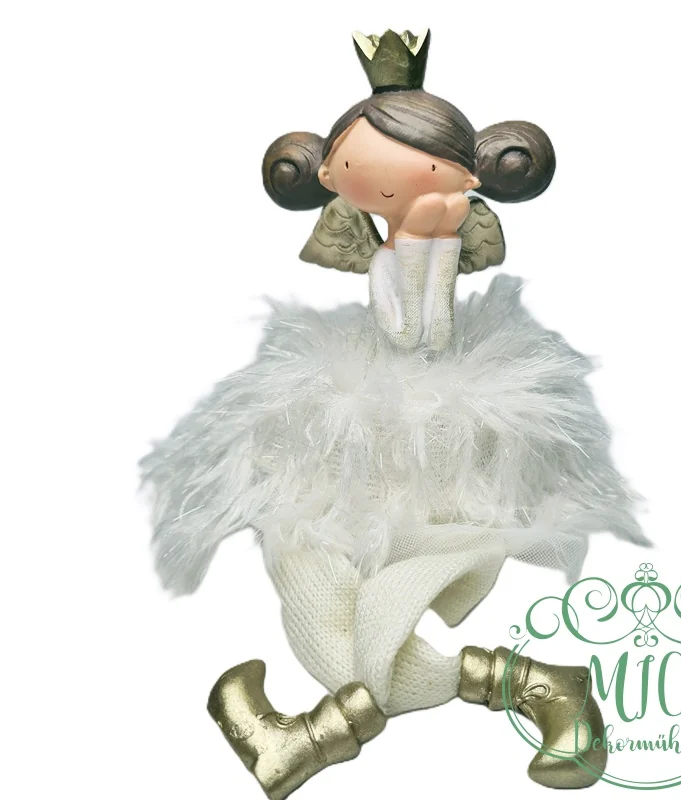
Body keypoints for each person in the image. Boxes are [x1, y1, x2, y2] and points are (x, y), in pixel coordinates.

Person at [142, 29, 645, 798]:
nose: (366, 185)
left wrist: (424, 248)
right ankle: (534, 686)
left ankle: (313, 737)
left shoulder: (426, 250)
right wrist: (411, 250)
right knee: (310, 566)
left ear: (463, 174)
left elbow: (425, 334)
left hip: (435, 426)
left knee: (363, 611)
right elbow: (405, 328)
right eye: (353, 172)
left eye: (400, 172)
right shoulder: (388, 257)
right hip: (379, 413)